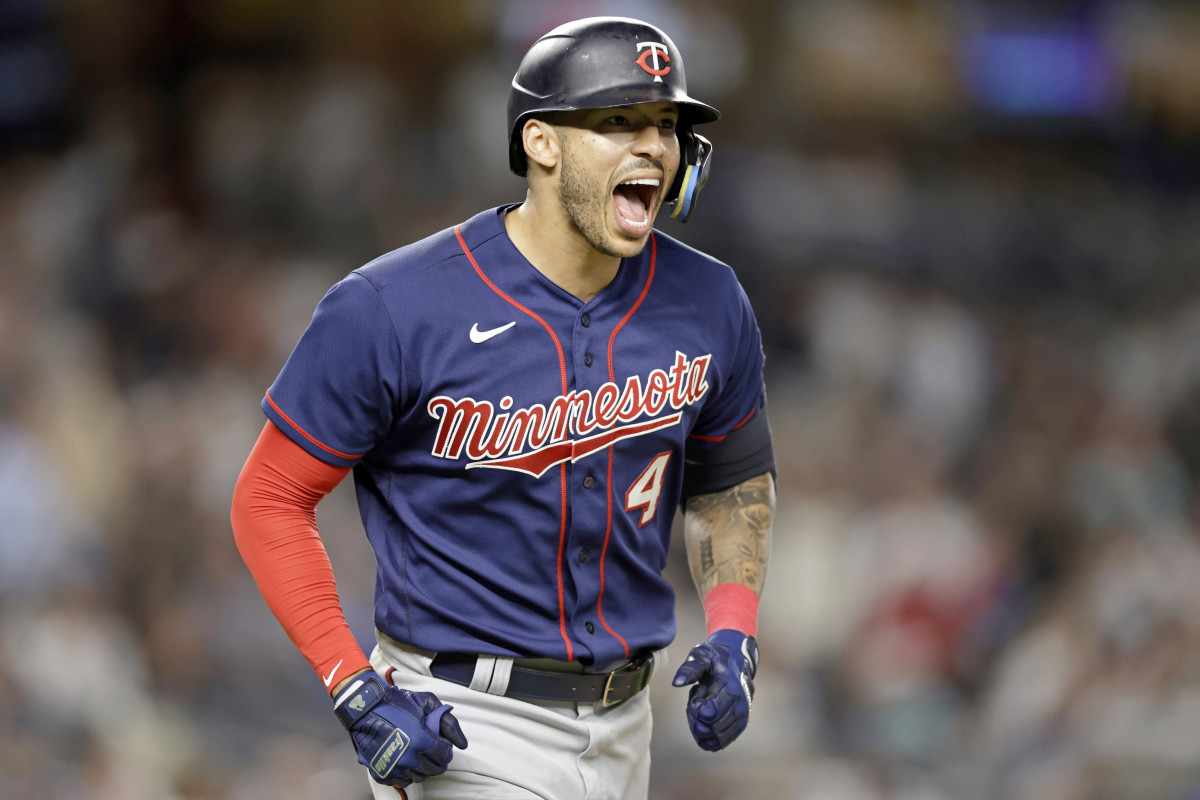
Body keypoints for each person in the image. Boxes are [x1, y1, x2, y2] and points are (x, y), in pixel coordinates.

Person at [230, 16, 775, 800]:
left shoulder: (709, 297)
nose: (653, 145)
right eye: (617, 121)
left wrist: (733, 630)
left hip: (629, 726)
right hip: (466, 720)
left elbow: (732, 479)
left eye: (665, 124)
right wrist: (349, 682)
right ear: (541, 143)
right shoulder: (394, 305)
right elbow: (270, 497)